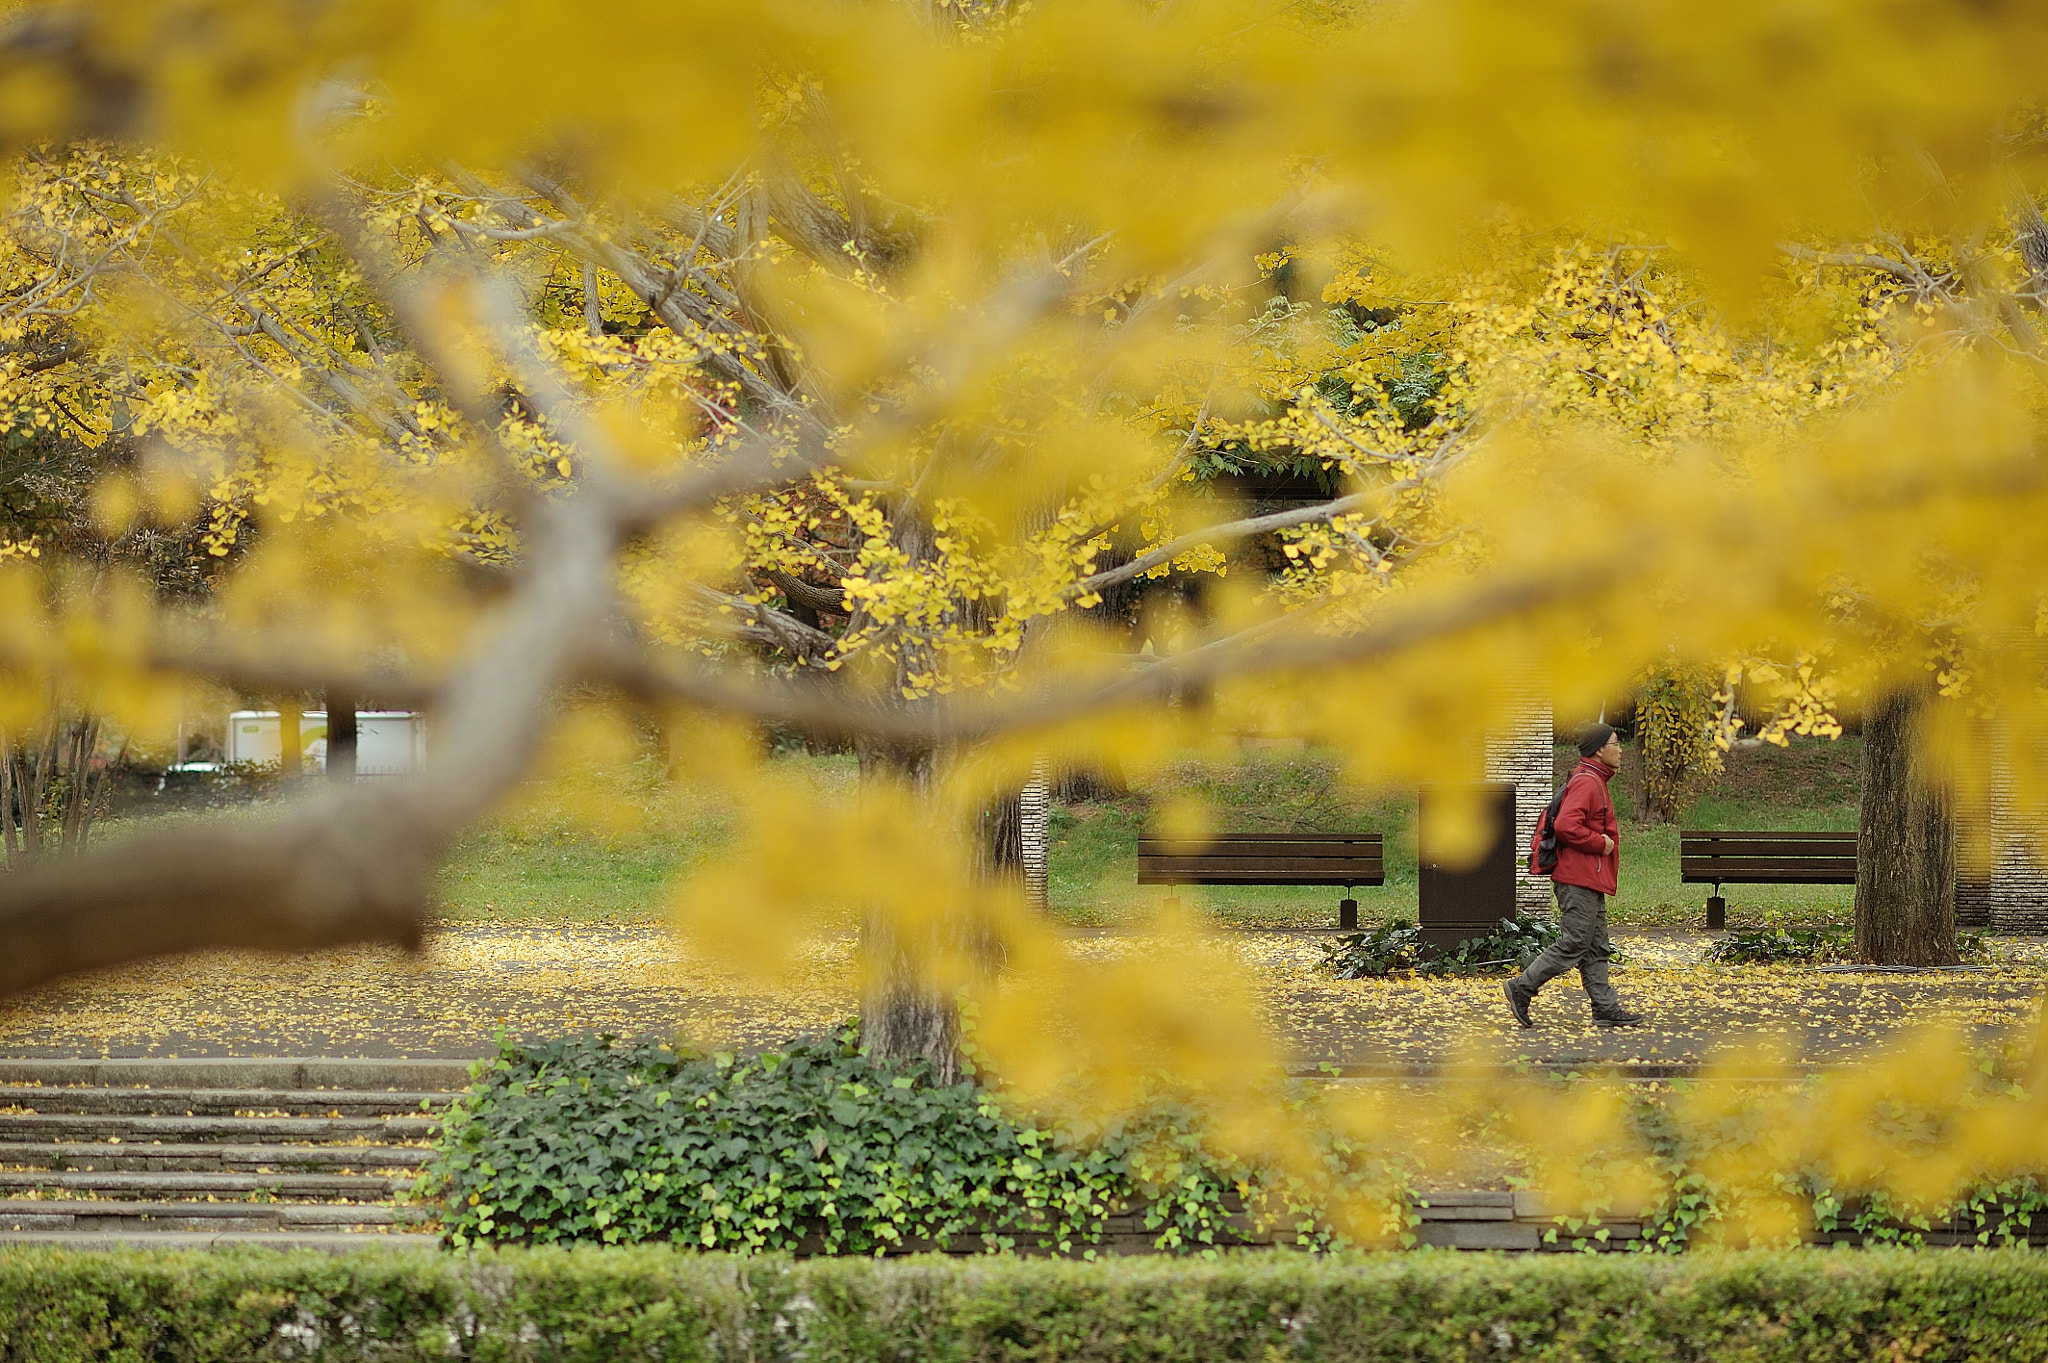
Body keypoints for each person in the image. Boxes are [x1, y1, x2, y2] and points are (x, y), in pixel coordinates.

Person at [1503, 723, 1644, 1028]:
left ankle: (1605, 1008)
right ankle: (1522, 987)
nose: (1620, 750)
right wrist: (1600, 843)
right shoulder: (1588, 782)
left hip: (1588, 878)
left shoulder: (1594, 779)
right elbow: (1567, 825)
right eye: (1615, 744)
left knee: (1596, 946)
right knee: (1575, 942)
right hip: (1577, 878)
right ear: (1598, 750)